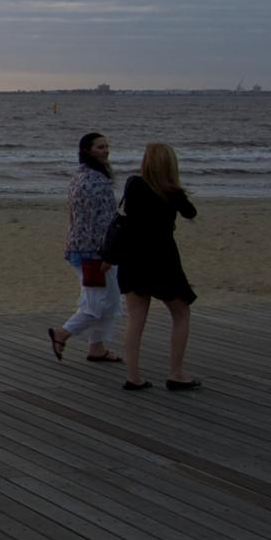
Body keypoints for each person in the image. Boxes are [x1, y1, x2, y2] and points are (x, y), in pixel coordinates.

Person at [118, 142, 200, 391]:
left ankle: (133, 376)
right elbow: (190, 212)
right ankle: (175, 373)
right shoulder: (170, 191)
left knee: (135, 318)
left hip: (133, 257)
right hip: (162, 259)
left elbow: (129, 215)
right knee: (181, 312)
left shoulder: (134, 184)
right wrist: (175, 189)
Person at [47, 132, 123, 364]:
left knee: (104, 299)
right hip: (93, 252)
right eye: (100, 147)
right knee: (100, 302)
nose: (106, 150)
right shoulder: (94, 181)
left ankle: (96, 347)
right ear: (87, 151)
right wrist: (106, 253)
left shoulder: (80, 176)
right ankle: (63, 333)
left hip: (80, 248)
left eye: (107, 146)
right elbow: (101, 222)